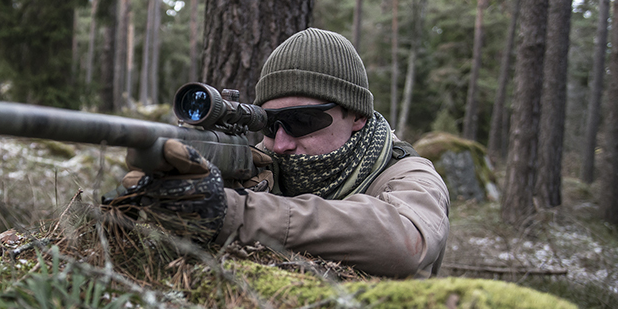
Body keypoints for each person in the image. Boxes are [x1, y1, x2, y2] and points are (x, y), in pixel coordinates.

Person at [116, 27, 449, 279]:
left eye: (302, 121)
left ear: (357, 115)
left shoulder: (409, 174)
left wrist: (236, 211)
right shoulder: (260, 163)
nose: (281, 144)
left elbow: (407, 242)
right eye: (271, 124)